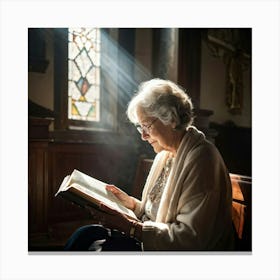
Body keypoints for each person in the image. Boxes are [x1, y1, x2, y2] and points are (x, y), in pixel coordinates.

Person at [64, 78, 235, 251]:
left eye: (146, 126)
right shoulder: (166, 155)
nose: (143, 136)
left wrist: (130, 227)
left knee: (102, 249)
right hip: (148, 241)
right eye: (140, 127)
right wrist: (131, 204)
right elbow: (157, 215)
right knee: (84, 234)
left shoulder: (202, 159)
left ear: (172, 119)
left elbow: (190, 238)